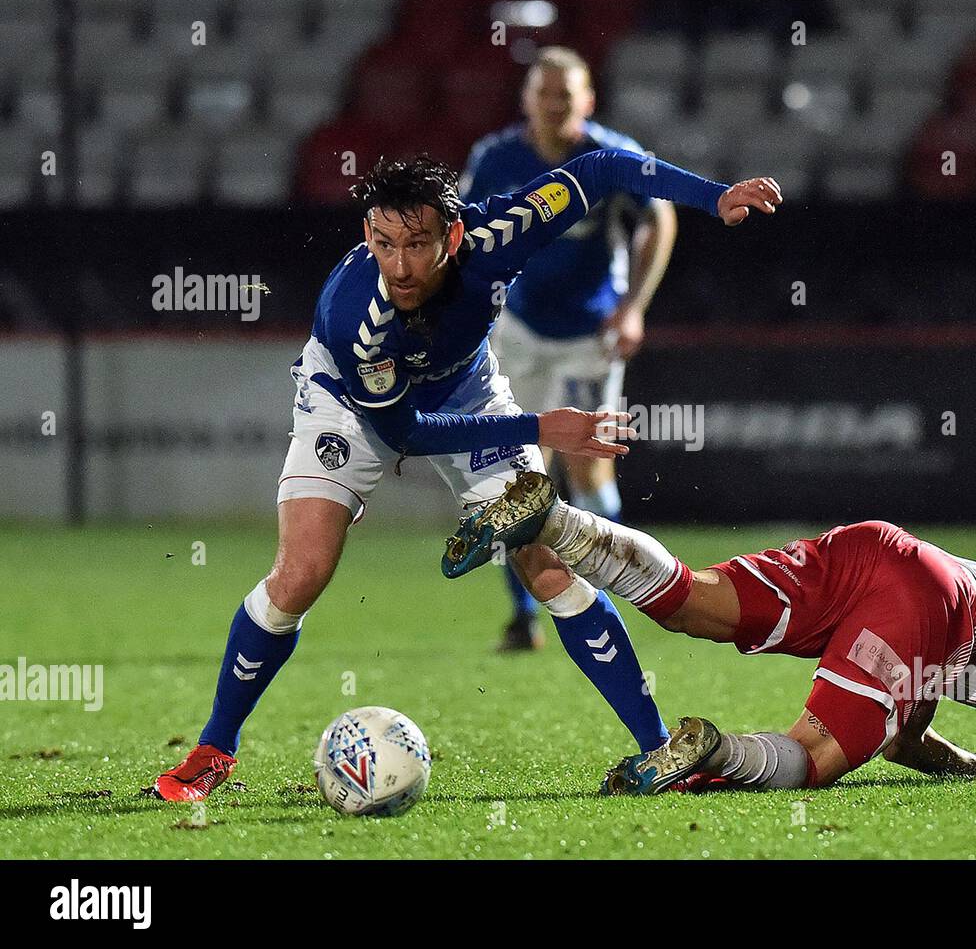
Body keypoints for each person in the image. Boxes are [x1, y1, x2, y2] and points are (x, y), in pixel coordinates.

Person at [150, 149, 783, 802]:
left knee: (548, 566)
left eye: (417, 244)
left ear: (453, 236)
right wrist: (543, 427)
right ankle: (213, 749)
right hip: (347, 406)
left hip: (470, 395)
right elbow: (408, 433)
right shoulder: (354, 319)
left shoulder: (495, 233)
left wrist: (712, 197)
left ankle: (658, 753)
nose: (398, 265)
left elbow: (598, 172)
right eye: (382, 243)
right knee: (301, 573)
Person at [442, 473, 976, 794]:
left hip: (883, 549)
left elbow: (904, 738)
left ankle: (556, 521)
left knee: (692, 599)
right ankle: (716, 754)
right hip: (927, 607)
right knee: (816, 760)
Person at [461, 47, 677, 651]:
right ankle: (523, 616)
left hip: (589, 340)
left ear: (588, 101)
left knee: (588, 472)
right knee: (512, 477)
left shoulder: (609, 158)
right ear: (526, 99)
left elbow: (658, 221)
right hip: (518, 338)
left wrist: (633, 305)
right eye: (544, 93)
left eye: (566, 95)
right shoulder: (496, 158)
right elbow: (465, 233)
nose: (554, 105)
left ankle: (612, 597)